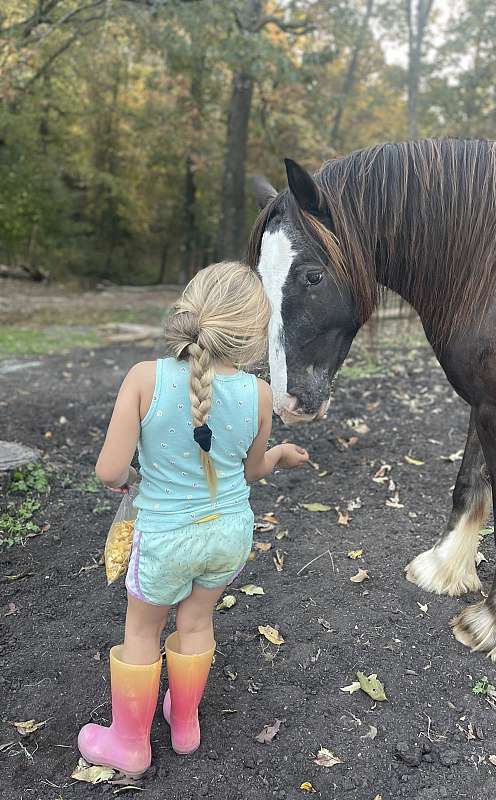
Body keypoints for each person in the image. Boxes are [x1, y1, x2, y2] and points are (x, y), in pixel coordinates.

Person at [78, 262, 309, 776]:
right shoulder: (260, 395)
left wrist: (127, 478)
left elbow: (109, 470)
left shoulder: (144, 378)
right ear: (254, 334)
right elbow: (251, 472)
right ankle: (184, 726)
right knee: (197, 620)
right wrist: (281, 458)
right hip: (229, 535)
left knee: (142, 631)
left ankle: (130, 746)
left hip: (165, 538)